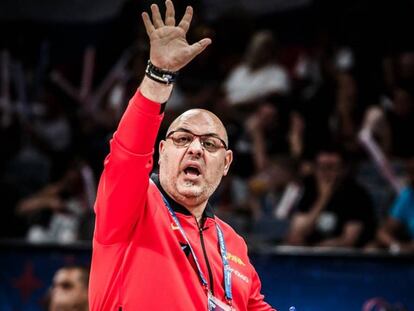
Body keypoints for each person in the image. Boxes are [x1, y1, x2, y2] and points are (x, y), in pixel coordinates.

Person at [88, 2, 275, 310]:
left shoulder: (233, 244)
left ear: (226, 163)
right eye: (183, 138)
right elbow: (128, 152)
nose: (196, 149)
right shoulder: (131, 205)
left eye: (210, 144)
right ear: (162, 151)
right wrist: (158, 74)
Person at [286, 148, 376, 247]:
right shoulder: (309, 190)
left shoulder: (357, 195)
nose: (325, 174)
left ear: (343, 170)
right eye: (321, 167)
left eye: (331, 168)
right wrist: (323, 199)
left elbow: (348, 240)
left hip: (342, 257)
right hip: (311, 254)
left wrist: (318, 248)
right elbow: (297, 235)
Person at [376, 157, 414, 253]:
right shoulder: (408, 195)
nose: (411, 177)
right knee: (371, 248)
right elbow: (382, 233)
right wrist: (397, 247)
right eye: (410, 172)